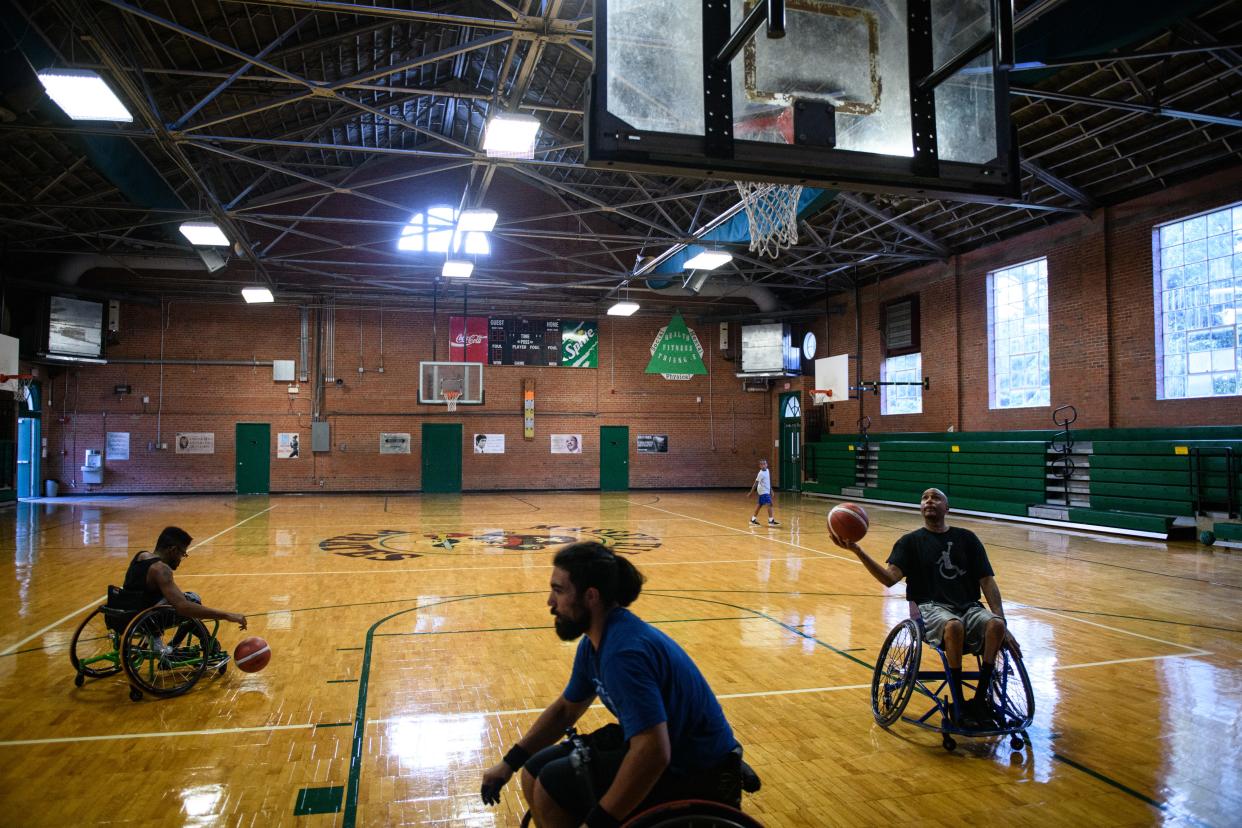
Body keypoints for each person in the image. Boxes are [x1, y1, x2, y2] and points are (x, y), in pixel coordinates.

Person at [479, 542, 743, 827]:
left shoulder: (624, 653)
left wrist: (599, 822)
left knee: (552, 788)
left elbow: (654, 752)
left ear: (591, 596)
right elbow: (566, 710)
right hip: (663, 750)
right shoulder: (595, 641)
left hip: (697, 767)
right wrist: (509, 763)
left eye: (558, 590)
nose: (550, 602)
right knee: (532, 773)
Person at [828, 488, 1019, 728]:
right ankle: (959, 704)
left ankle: (980, 700)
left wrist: (1004, 625)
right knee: (954, 626)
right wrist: (858, 551)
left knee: (996, 625)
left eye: (936, 497)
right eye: (924, 498)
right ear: (920, 508)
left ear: (947, 508)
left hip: (968, 606)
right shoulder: (910, 542)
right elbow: (889, 579)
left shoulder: (967, 538)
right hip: (930, 608)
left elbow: (987, 581)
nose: (929, 500)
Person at [120, 526, 248, 639]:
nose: (181, 559)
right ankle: (195, 645)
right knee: (193, 601)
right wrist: (226, 615)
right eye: (183, 554)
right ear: (173, 550)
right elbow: (183, 607)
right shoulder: (161, 569)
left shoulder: (141, 556)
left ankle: (180, 645)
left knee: (186, 598)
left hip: (125, 616)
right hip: (146, 621)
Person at [746, 459, 779, 527]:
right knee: (770, 504)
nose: (763, 465)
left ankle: (753, 520)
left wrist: (771, 490)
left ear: (767, 464)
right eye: (762, 464)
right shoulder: (760, 473)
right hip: (763, 491)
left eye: (764, 464)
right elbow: (756, 483)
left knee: (759, 505)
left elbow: (768, 481)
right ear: (760, 466)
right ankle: (770, 521)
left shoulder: (767, 470)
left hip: (766, 490)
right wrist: (751, 492)